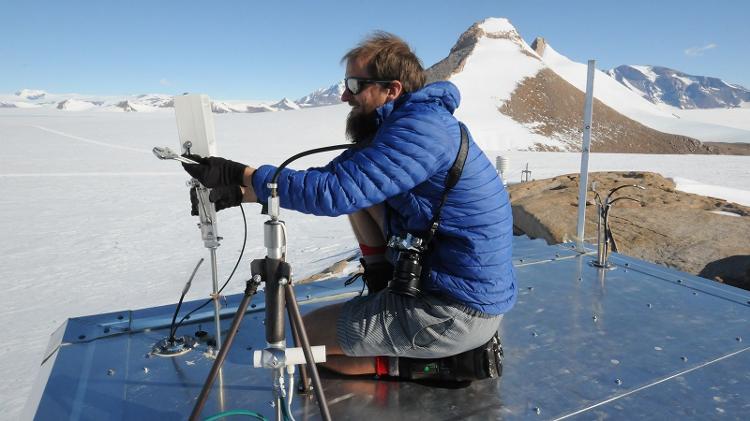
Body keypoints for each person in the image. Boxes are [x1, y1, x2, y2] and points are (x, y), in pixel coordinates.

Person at [182, 32, 516, 380]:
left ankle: (445, 363)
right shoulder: (411, 123)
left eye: (355, 85)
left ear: (393, 89)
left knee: (307, 343)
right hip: (459, 292)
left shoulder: (422, 133)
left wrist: (242, 172)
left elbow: (335, 191)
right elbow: (340, 176)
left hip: (452, 311)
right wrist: (242, 191)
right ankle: (382, 287)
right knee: (363, 195)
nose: (345, 96)